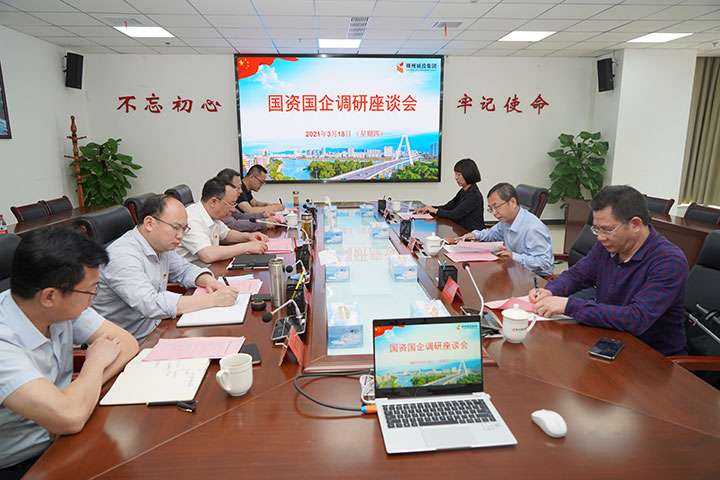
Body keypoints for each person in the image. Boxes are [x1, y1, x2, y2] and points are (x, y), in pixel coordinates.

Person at [0, 228, 138, 478]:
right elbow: (69, 416)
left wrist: (73, 398)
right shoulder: (4, 342)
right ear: (49, 296)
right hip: (24, 465)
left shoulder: (60, 305)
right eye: (90, 290)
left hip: (71, 435)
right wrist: (93, 365)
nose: (93, 299)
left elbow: (127, 344)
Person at [529, 185, 688, 356]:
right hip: (608, 339)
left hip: (652, 356)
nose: (600, 237)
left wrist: (569, 305)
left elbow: (636, 318)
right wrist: (550, 290)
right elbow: (578, 275)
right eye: (596, 229)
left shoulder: (668, 261)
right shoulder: (607, 246)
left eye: (606, 230)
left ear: (635, 224)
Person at [92, 194, 240, 344]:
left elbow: (183, 269)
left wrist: (207, 280)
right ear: (149, 223)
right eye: (176, 228)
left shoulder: (160, 246)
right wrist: (212, 299)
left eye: (184, 229)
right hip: (132, 343)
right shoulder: (122, 256)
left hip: (160, 327)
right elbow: (150, 304)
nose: (180, 236)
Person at [458, 183, 553, 277]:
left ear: (513, 202)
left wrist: (513, 256)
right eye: (491, 209)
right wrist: (475, 235)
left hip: (535, 277)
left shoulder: (533, 228)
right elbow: (491, 234)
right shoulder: (507, 220)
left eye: (496, 207)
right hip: (514, 270)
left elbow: (544, 263)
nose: (494, 213)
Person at [175, 177, 269, 267]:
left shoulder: (212, 215)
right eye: (230, 204)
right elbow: (207, 255)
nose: (233, 210)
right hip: (190, 275)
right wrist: (247, 247)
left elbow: (226, 234)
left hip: (209, 268)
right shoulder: (191, 219)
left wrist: (248, 236)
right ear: (213, 202)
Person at [414, 158, 485, 232]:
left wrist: (435, 210)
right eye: (456, 174)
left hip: (473, 235)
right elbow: (448, 207)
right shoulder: (463, 191)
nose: (456, 178)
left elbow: (454, 215)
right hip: (462, 231)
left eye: (459, 175)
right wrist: (430, 208)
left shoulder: (474, 195)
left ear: (468, 174)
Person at [216, 168, 278, 232]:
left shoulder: (228, 201)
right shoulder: (218, 203)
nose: (241, 191)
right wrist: (263, 223)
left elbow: (240, 216)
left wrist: (263, 215)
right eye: (238, 187)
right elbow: (233, 224)